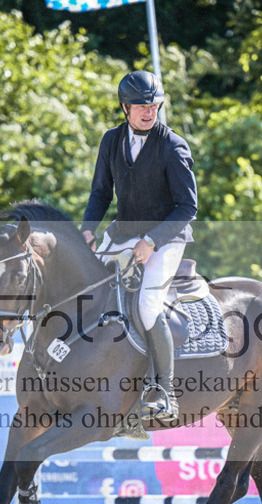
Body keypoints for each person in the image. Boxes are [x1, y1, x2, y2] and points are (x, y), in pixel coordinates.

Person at [81, 70, 197, 421]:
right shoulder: (110, 141)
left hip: (165, 237)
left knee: (147, 305)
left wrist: (151, 241)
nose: (149, 112)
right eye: (142, 107)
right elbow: (101, 192)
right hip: (123, 233)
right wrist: (87, 230)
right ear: (124, 107)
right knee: (89, 289)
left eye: (154, 106)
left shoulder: (173, 145)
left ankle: (164, 389)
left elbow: (187, 207)